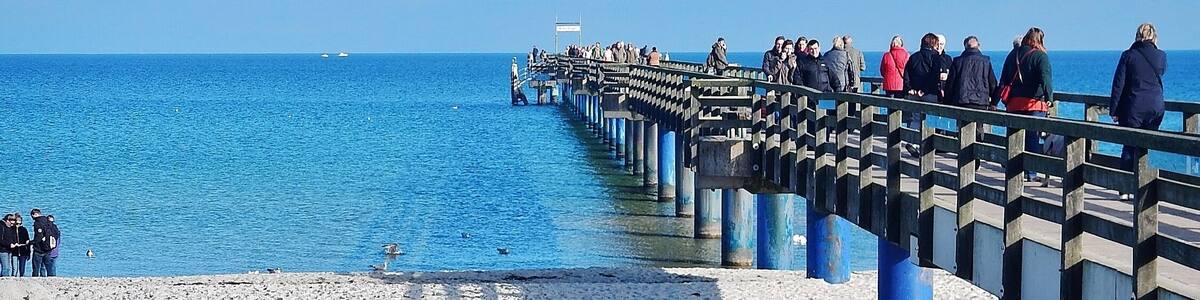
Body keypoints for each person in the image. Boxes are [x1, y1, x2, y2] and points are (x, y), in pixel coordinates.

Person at [1111, 23, 1167, 200]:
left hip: (1133, 106)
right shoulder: (1161, 56)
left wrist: (1114, 109)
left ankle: (1126, 188)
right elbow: (1161, 72)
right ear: (1154, 37)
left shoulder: (1128, 55)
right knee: (1150, 145)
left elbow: (1118, 84)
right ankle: (1147, 188)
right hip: (1156, 106)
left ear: (1136, 36)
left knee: (1129, 145)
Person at [999, 27, 1055, 183]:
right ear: (1040, 40)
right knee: (1032, 138)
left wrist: (995, 101)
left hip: (1014, 103)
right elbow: (1046, 78)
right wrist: (1049, 97)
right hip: (1033, 103)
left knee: (1013, 138)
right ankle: (1031, 173)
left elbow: (1003, 79)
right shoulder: (1040, 56)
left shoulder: (1012, 55)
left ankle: (1014, 170)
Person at [946, 36, 999, 148]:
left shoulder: (958, 61)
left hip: (962, 101)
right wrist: (994, 102)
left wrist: (947, 101)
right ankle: (977, 157)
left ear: (965, 46)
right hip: (980, 102)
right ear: (978, 45)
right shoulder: (985, 61)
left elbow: (950, 84)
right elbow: (993, 83)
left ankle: (963, 156)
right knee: (979, 129)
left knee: (962, 128)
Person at [902, 33, 943, 156]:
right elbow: (934, 76)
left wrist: (910, 88)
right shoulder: (936, 57)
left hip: (914, 93)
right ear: (933, 43)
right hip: (929, 93)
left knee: (915, 118)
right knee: (930, 119)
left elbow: (907, 74)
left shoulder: (914, 57)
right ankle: (927, 146)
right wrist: (924, 89)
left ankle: (913, 142)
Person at [30, 209, 58, 277]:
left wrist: (32, 242)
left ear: (34, 214)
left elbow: (39, 236)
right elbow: (56, 234)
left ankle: (35, 280)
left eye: (32, 216)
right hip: (48, 248)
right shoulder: (48, 222)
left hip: (39, 249)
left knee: (36, 268)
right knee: (49, 267)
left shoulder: (38, 223)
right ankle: (51, 279)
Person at [935, 34, 953, 102]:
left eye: (941, 44)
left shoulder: (948, 59)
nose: (939, 46)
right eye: (938, 44)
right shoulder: (930, 58)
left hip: (945, 92)